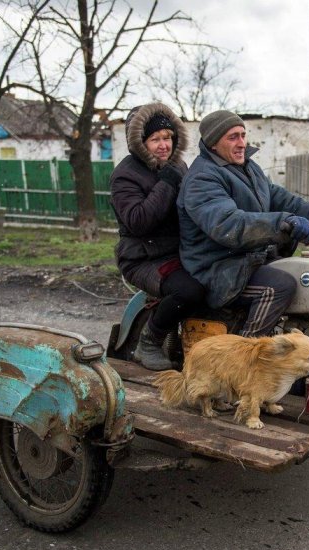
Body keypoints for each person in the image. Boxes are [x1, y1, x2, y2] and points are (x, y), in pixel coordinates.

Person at [178, 110, 309, 337]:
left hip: (247, 260)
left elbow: (283, 199)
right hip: (217, 268)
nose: (241, 143)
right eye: (233, 137)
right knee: (280, 286)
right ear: (213, 143)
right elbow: (228, 225)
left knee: (308, 275)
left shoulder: (248, 167)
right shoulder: (202, 178)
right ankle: (247, 358)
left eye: (243, 135)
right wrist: (283, 222)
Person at [110, 102, 206, 370]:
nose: (164, 145)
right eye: (155, 139)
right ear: (140, 142)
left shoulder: (178, 166)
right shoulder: (125, 176)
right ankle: (149, 342)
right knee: (189, 291)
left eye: (167, 138)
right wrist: (166, 183)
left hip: (178, 251)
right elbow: (138, 222)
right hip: (142, 257)